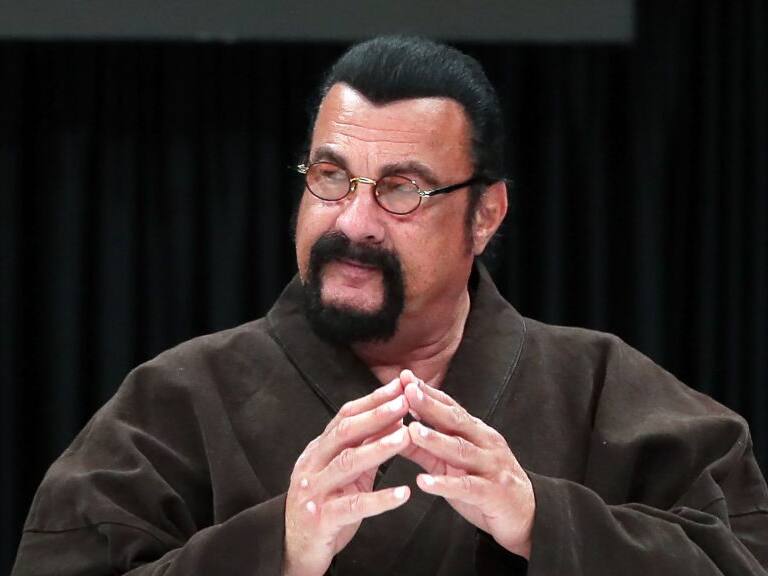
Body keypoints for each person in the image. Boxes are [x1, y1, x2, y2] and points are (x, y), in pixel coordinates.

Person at [11, 36, 768, 576]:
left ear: (486, 214)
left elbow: (738, 552)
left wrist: (545, 521)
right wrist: (275, 549)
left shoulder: (602, 387)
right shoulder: (176, 400)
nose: (353, 222)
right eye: (332, 177)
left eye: (401, 189)